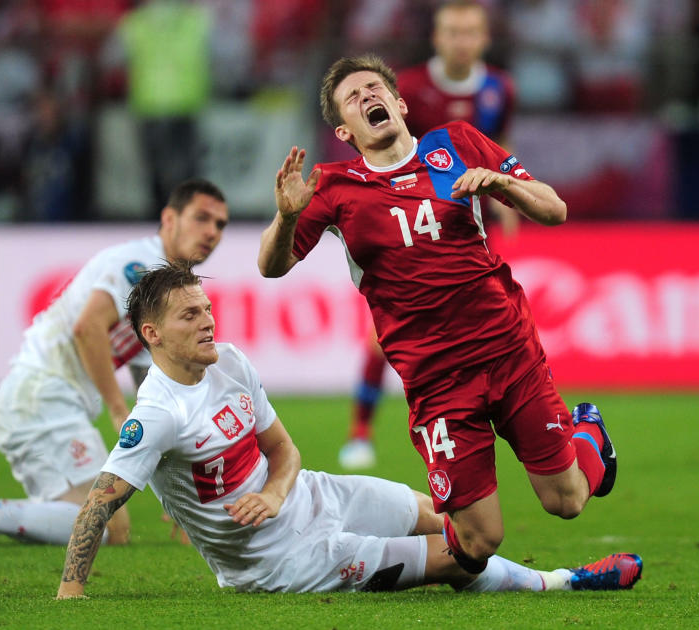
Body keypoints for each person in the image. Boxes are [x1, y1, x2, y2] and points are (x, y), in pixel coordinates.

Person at [56, 263, 642, 597]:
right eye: (191, 315)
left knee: (460, 524)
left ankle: (582, 462)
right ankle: (564, 583)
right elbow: (96, 508)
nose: (209, 321)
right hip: (279, 561)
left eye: (207, 308)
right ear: (153, 335)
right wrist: (71, 594)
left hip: (312, 494)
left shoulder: (230, 362)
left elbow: (282, 449)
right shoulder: (157, 414)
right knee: (453, 557)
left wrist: (277, 492)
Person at [257, 54, 628, 580]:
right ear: (344, 130)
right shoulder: (333, 187)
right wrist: (287, 216)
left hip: (507, 349)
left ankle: (590, 434)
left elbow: (554, 209)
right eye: (353, 98)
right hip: (436, 381)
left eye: (374, 89)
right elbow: (272, 268)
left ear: (399, 102)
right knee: (477, 544)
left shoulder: (457, 143)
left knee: (566, 501)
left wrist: (503, 187)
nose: (368, 98)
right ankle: (406, 531)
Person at [0, 178, 228, 545]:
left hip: (41, 400)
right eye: (201, 218)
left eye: (220, 225)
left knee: (89, 521)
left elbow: (156, 380)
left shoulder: (162, 285)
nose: (211, 232)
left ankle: (3, 515)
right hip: (41, 398)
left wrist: (181, 491)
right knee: (107, 527)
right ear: (169, 219)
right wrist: (119, 410)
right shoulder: (136, 265)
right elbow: (88, 329)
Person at [340, 0, 518, 470]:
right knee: (384, 336)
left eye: (470, 32)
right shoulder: (411, 89)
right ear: (437, 39)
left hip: (468, 223)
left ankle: (493, 421)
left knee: (488, 321)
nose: (462, 40)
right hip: (405, 221)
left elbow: (501, 145)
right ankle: (361, 430)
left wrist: (510, 197)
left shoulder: (501, 88)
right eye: (452, 32)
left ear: (484, 38)